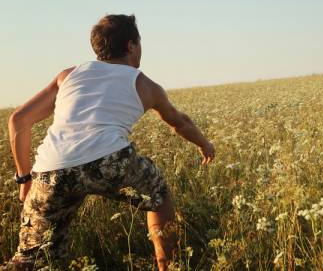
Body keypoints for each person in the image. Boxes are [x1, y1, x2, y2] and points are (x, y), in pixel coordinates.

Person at [4, 14, 215, 271]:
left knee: (31, 257)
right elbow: (180, 122)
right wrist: (204, 144)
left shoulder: (68, 76)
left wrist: (25, 179)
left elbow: (18, 120)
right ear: (130, 46)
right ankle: (166, 265)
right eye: (139, 43)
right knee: (158, 196)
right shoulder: (144, 84)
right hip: (109, 161)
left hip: (51, 168)